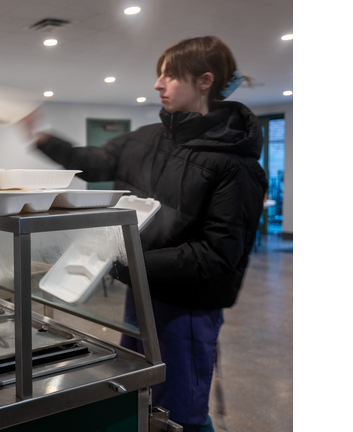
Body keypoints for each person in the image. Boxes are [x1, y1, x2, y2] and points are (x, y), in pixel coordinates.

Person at [21, 36, 268, 431]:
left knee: (180, 412)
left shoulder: (234, 164)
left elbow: (216, 256)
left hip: (187, 307)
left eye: (170, 75)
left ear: (205, 81)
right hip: (142, 287)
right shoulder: (147, 138)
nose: (158, 84)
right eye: (159, 75)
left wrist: (124, 261)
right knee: (140, 389)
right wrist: (42, 138)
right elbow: (95, 161)